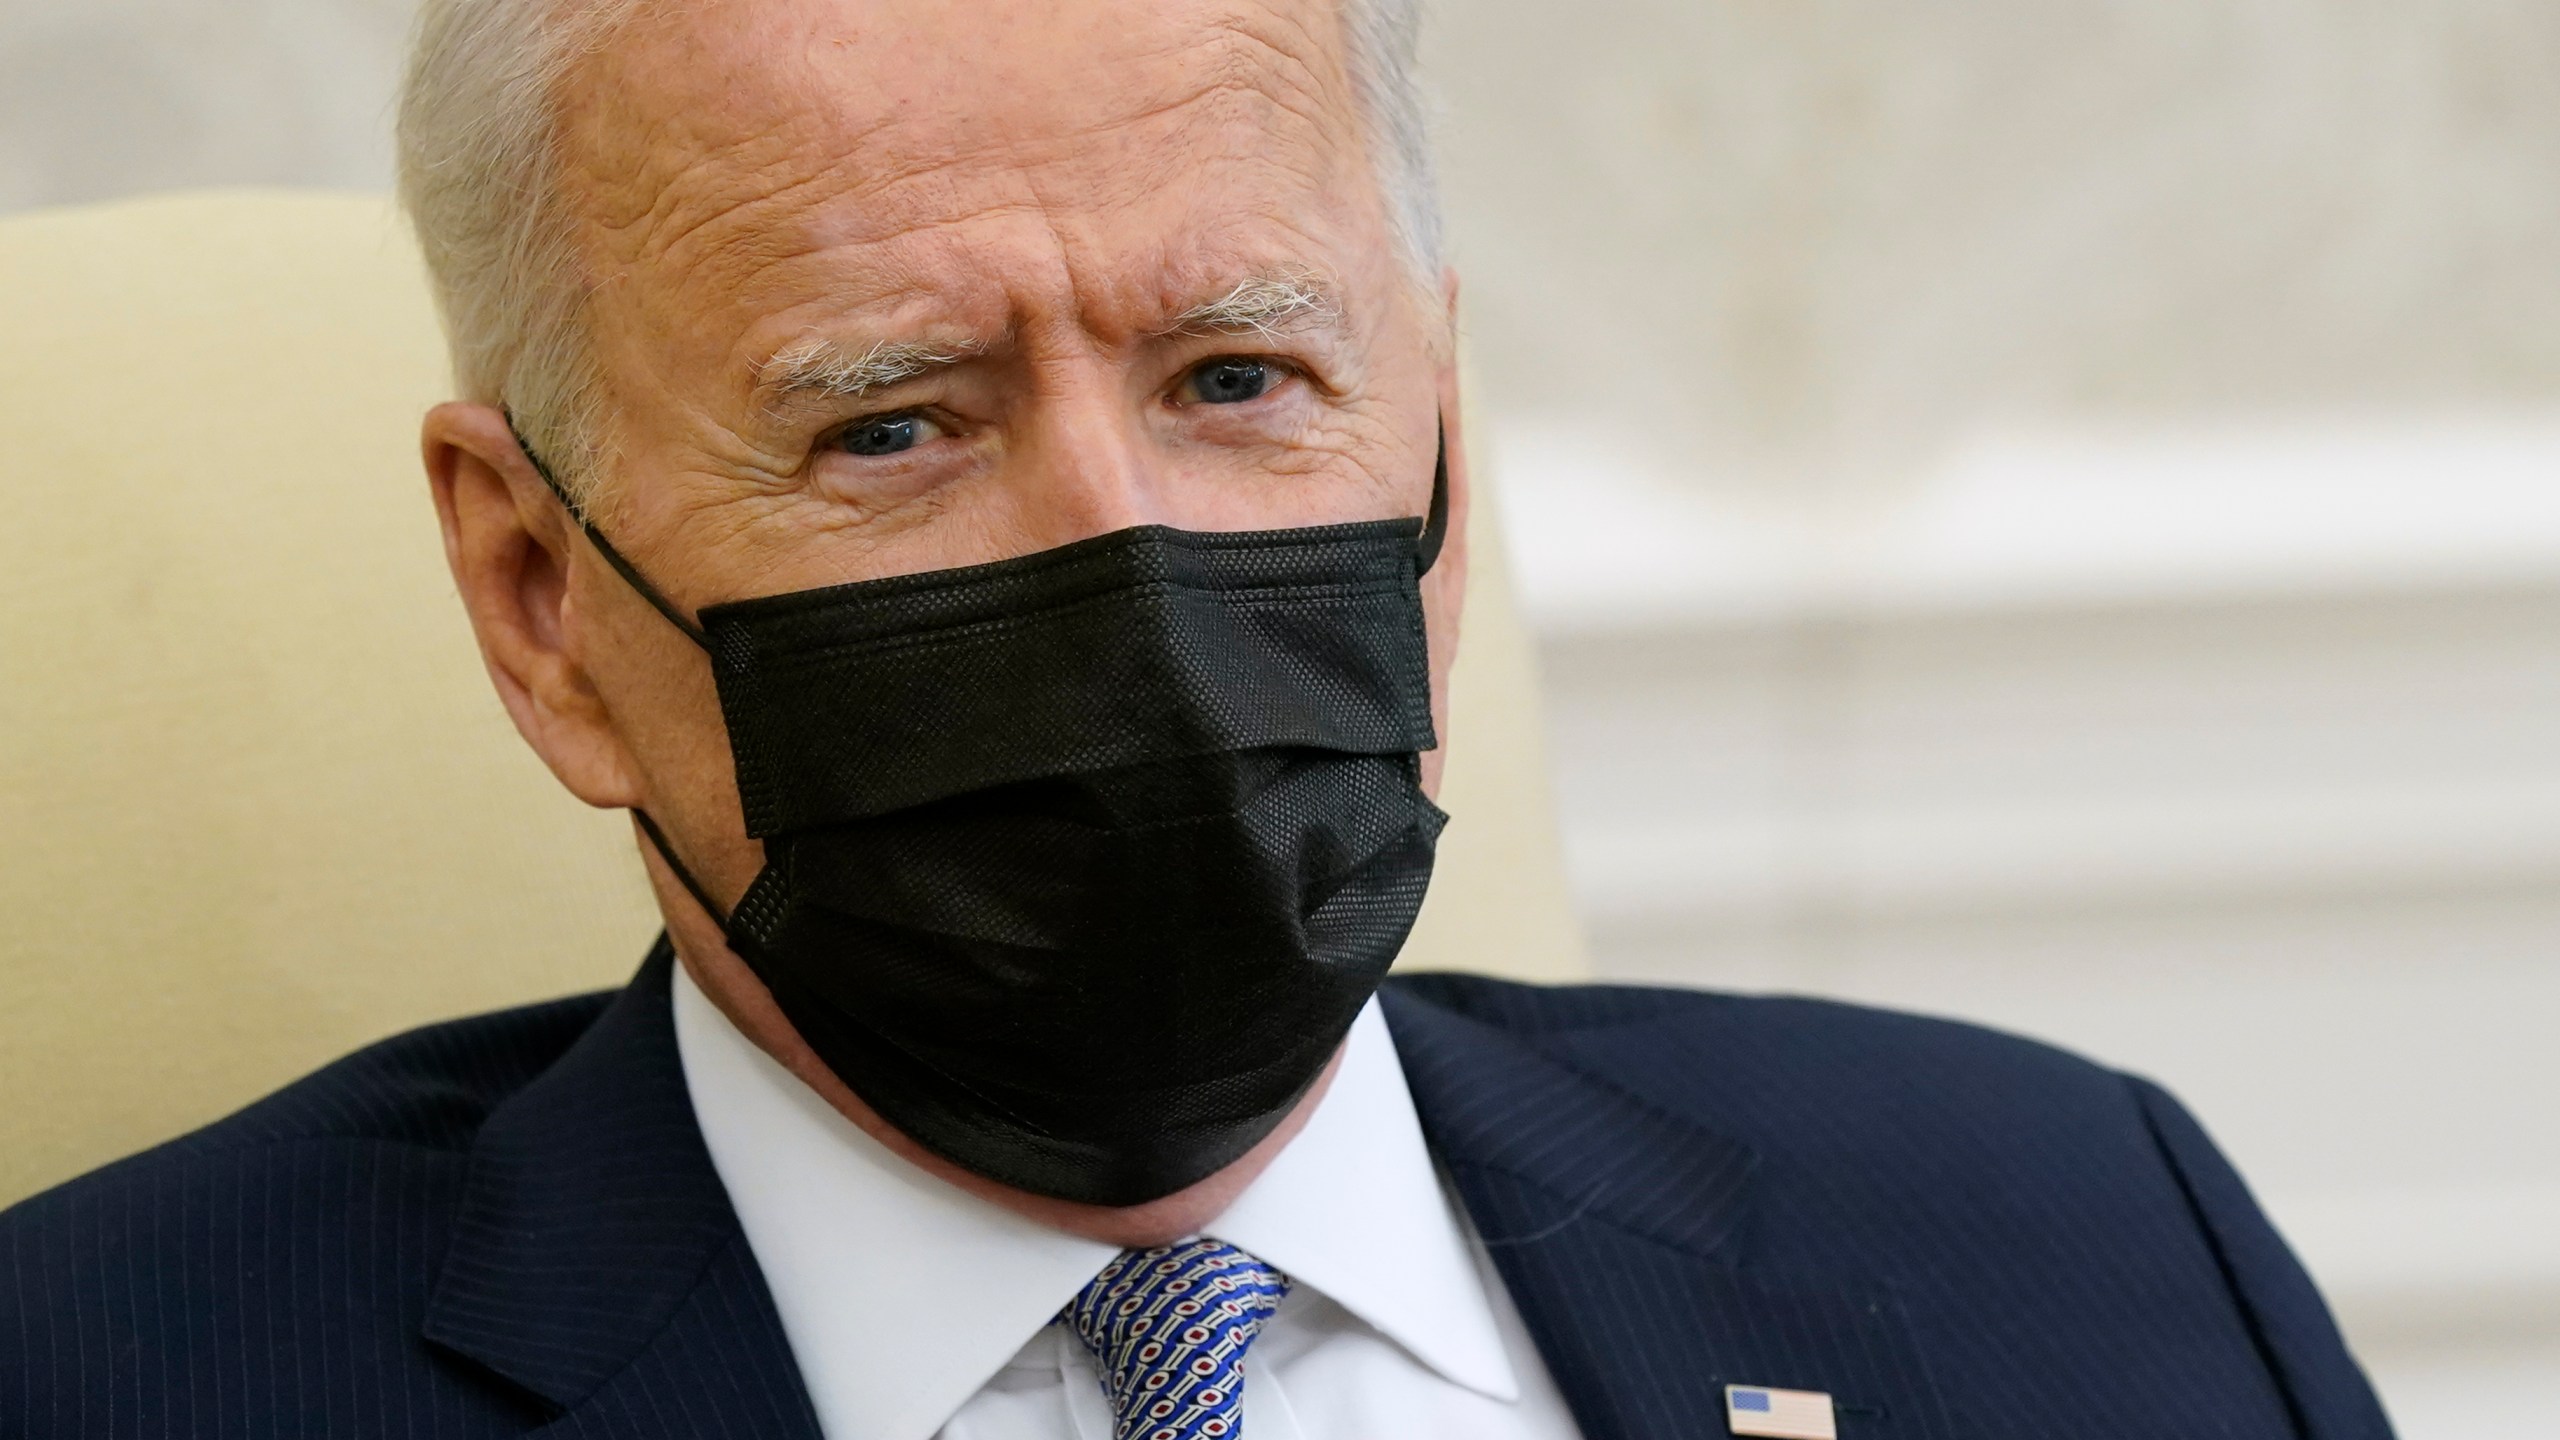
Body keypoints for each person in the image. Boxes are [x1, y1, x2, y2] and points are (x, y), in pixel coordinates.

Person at [0, 0, 2395, 1436]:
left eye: (1237, 376)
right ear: (538, 603)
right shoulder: (109, 1388)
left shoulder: (2079, 1245)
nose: (1123, 570)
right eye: (889, 426)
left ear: (1440, 465)